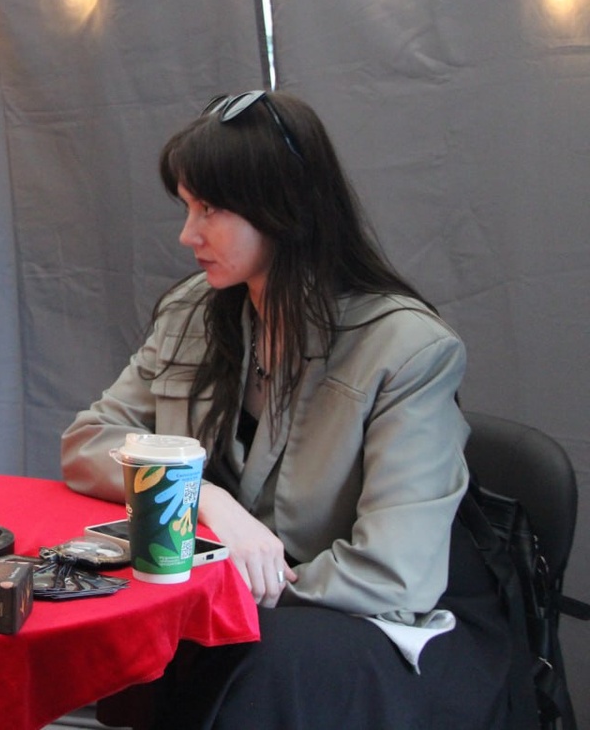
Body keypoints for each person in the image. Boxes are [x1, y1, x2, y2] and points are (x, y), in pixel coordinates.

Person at [61, 91, 524, 727]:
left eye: (210, 208)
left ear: (282, 209)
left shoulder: (408, 348)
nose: (188, 234)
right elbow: (89, 440)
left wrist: (229, 587)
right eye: (187, 207)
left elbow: (394, 575)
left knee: (248, 658)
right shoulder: (193, 311)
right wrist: (202, 497)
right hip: (254, 612)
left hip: (386, 625)